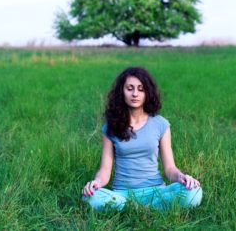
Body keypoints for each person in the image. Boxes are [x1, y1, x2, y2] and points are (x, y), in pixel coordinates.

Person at [82, 67, 202, 211]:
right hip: (122, 194)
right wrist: (96, 182)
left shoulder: (160, 124)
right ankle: (145, 208)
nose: (135, 94)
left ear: (147, 93)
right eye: (130, 88)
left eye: (141, 89)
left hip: (156, 192)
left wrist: (182, 177)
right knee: (90, 197)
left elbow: (170, 169)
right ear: (122, 92)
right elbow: (105, 171)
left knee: (194, 192)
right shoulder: (111, 127)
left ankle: (134, 209)